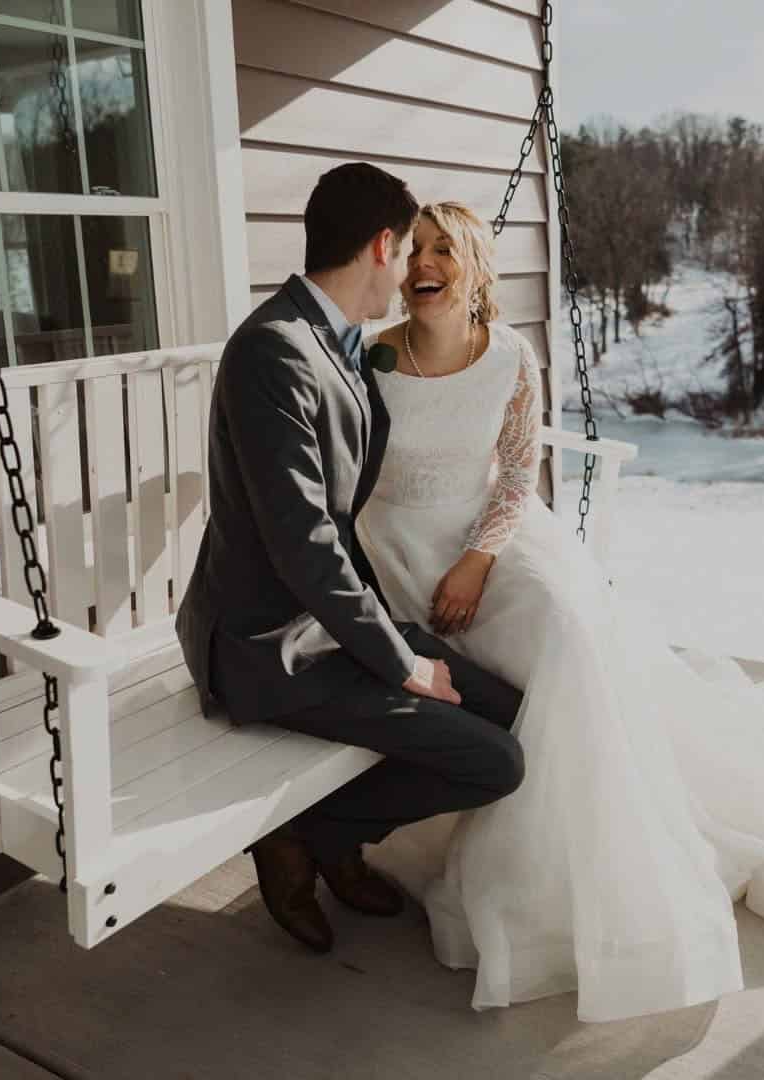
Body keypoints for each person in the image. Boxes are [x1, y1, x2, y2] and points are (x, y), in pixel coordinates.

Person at [356, 201, 764, 1023]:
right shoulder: (373, 358)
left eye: (444, 249)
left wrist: (479, 558)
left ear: (476, 267)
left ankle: (569, 871)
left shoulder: (512, 360)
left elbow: (520, 472)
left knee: (569, 638)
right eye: (414, 249)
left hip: (487, 541)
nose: (424, 263)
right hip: (396, 552)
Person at [176, 168, 526, 956]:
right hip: (267, 647)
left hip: (328, 622)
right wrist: (402, 661)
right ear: (381, 245)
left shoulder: (335, 341)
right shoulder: (273, 351)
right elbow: (305, 542)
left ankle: (325, 836)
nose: (410, 273)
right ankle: (305, 837)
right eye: (407, 251)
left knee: (508, 711)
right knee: (495, 761)